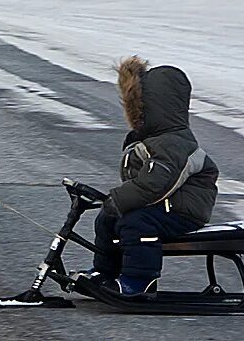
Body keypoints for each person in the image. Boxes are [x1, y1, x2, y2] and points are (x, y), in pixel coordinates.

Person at [89, 56, 218, 297]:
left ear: (155, 107)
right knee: (107, 219)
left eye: (139, 106)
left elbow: (157, 183)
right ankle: (104, 271)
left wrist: (118, 199)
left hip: (184, 211)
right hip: (163, 206)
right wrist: (115, 204)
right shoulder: (150, 139)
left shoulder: (174, 142)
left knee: (136, 222)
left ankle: (140, 281)